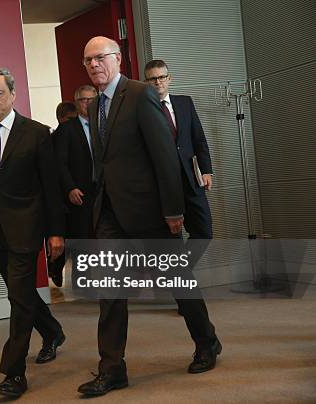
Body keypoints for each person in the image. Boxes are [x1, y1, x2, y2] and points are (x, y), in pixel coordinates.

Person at [77, 37, 221, 396]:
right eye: (87, 60)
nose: (94, 64)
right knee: (109, 291)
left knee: (178, 284)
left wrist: (174, 209)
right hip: (109, 213)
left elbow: (165, 157)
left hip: (149, 213)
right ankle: (112, 369)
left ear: (118, 59)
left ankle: (207, 342)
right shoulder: (94, 106)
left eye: (100, 57)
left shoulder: (141, 94)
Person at [0, 68, 67, 398]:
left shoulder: (36, 133)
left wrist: (55, 233)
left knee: (18, 300)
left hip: (26, 229)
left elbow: (51, 188)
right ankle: (53, 331)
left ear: (13, 94)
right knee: (20, 294)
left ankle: (15, 373)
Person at [144, 59, 213, 239]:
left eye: (161, 77)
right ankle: (178, 266)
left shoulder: (185, 103)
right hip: (162, 184)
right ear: (146, 83)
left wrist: (206, 171)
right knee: (171, 238)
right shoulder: (142, 110)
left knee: (204, 232)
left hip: (190, 178)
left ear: (169, 78)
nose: (158, 82)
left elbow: (199, 138)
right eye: (152, 79)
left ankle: (182, 268)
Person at [54, 85, 97, 238]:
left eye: (92, 99)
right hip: (81, 193)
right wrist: (70, 187)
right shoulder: (67, 129)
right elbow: (60, 163)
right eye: (83, 100)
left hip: (107, 192)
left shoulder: (106, 125)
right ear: (77, 103)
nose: (88, 103)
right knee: (84, 241)